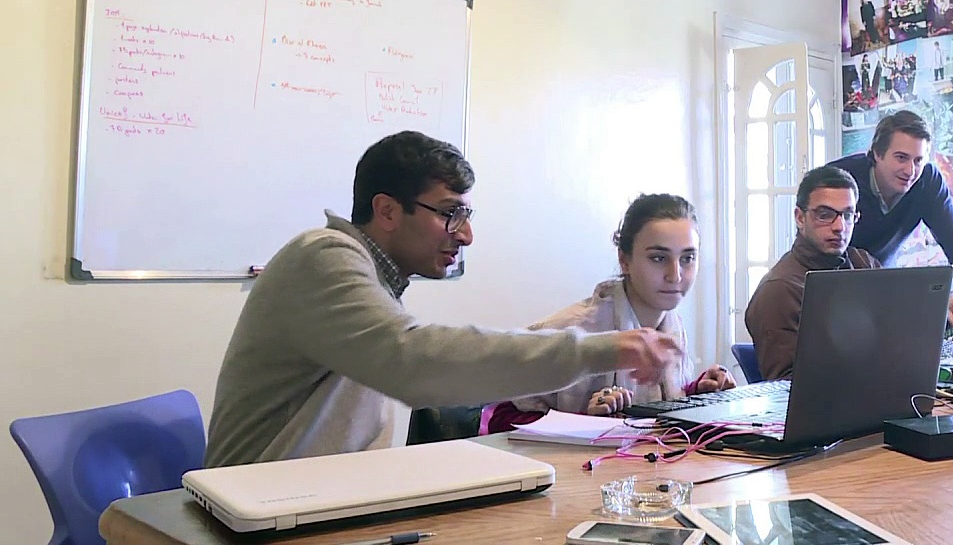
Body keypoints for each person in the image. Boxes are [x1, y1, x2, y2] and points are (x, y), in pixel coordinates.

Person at [204, 132, 682, 467]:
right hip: (256, 517)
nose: (466, 235)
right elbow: (413, 360)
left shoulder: (372, 277)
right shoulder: (324, 256)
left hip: (314, 503)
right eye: (451, 214)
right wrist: (601, 349)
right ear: (387, 210)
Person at [481, 195, 735, 431]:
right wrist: (587, 422)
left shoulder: (672, 324)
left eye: (687, 258)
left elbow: (652, 410)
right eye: (658, 258)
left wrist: (698, 392)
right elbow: (496, 419)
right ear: (624, 260)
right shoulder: (574, 330)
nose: (675, 275)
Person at [828, 111, 953, 332]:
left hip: (884, 290)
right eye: (901, 158)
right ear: (877, 153)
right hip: (834, 291)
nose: (910, 171)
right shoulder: (840, 180)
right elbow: (826, 258)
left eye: (918, 160)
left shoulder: (927, 181)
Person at [745, 167, 879, 380]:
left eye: (848, 215)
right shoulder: (780, 289)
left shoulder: (864, 263)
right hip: (830, 399)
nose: (840, 226)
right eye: (825, 215)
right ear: (800, 217)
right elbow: (786, 385)